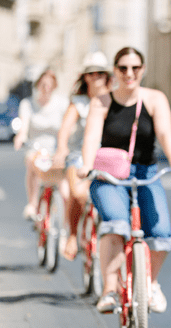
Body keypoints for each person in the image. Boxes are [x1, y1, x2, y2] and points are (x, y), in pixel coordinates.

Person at [77, 47, 171, 314]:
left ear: (143, 69)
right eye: (123, 68)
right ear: (115, 71)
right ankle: (109, 290)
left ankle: (150, 284)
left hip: (146, 174)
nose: (129, 74)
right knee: (116, 224)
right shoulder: (102, 101)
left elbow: (164, 133)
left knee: (161, 234)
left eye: (135, 68)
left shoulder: (154, 99)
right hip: (109, 176)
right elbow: (92, 137)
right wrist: (86, 164)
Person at [52, 51, 112, 261]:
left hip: (107, 156)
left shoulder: (114, 100)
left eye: (100, 73)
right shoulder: (78, 102)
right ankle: (73, 235)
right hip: (78, 155)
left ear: (107, 76)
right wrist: (61, 149)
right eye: (91, 73)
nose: (96, 77)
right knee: (78, 194)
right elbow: (65, 130)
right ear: (85, 77)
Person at [14, 69, 70, 221]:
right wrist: (21, 137)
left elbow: (68, 126)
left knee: (64, 185)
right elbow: (24, 126)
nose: (46, 88)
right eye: (43, 84)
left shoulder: (62, 103)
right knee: (31, 162)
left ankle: (66, 223)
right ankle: (32, 204)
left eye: (50, 85)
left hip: (57, 149)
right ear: (38, 85)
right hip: (37, 149)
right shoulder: (28, 104)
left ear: (54, 86)